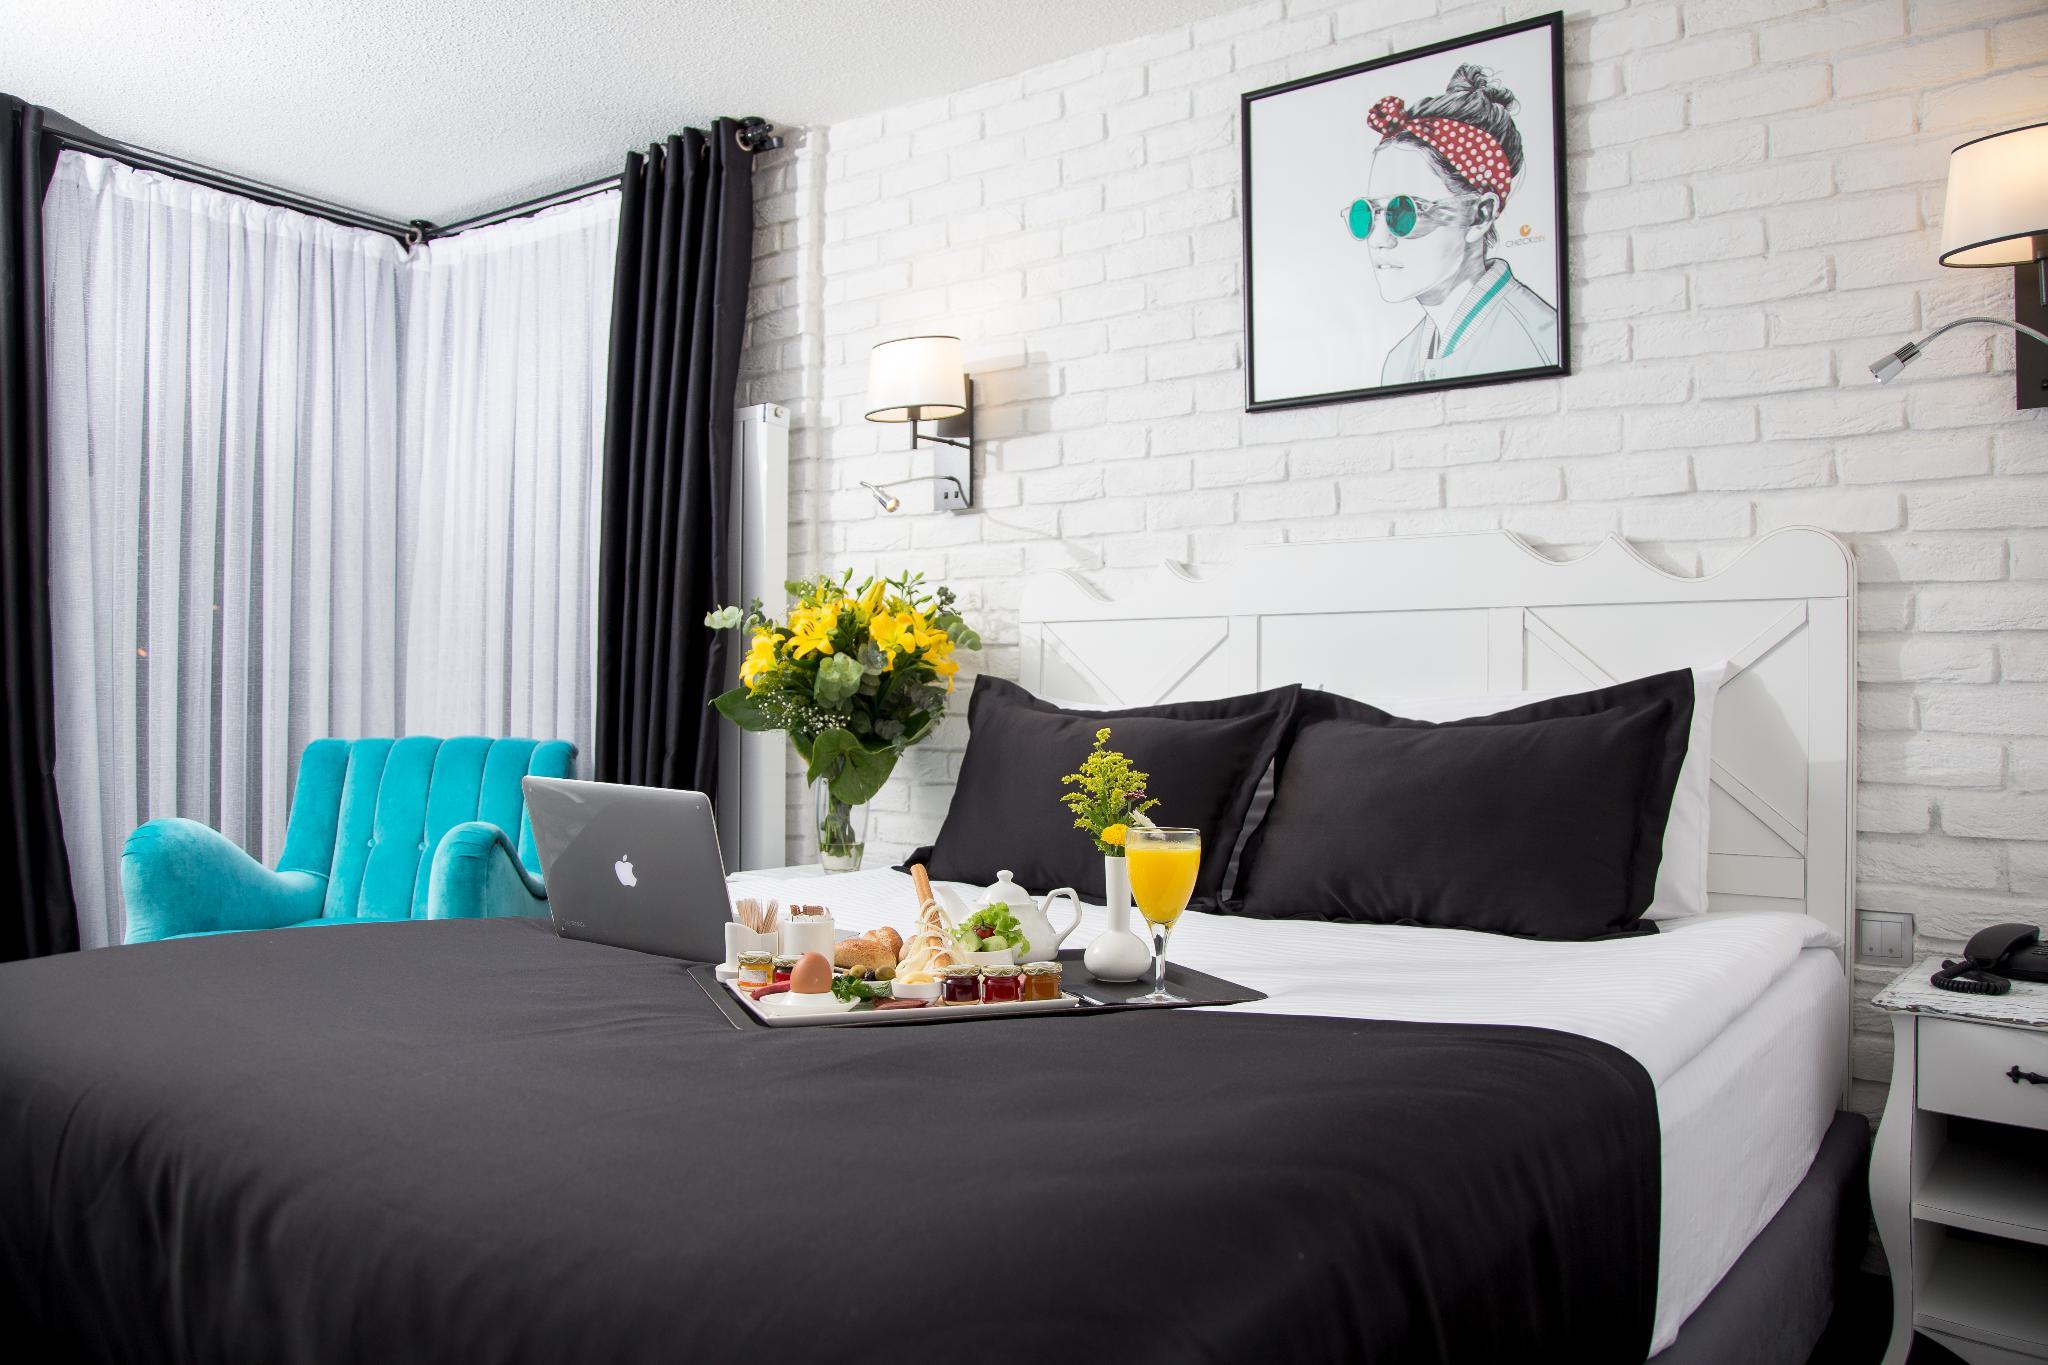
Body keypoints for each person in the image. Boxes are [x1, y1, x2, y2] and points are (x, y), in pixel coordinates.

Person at [1348, 64, 1559, 386]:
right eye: (1366, 214)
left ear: (1480, 215)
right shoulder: (1399, 362)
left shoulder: (1539, 345)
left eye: (1403, 213)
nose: (1378, 238)